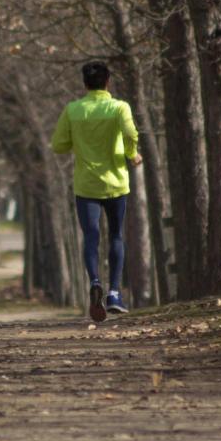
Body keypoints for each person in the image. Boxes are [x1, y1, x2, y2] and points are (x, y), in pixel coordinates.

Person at [51, 61, 142, 322]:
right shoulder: (118, 107)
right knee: (115, 235)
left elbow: (58, 145)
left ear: (84, 84)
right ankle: (114, 293)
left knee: (90, 235)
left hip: (86, 185)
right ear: (108, 82)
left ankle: (94, 282)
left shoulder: (73, 110)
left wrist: (78, 141)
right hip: (115, 184)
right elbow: (130, 132)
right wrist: (131, 153)